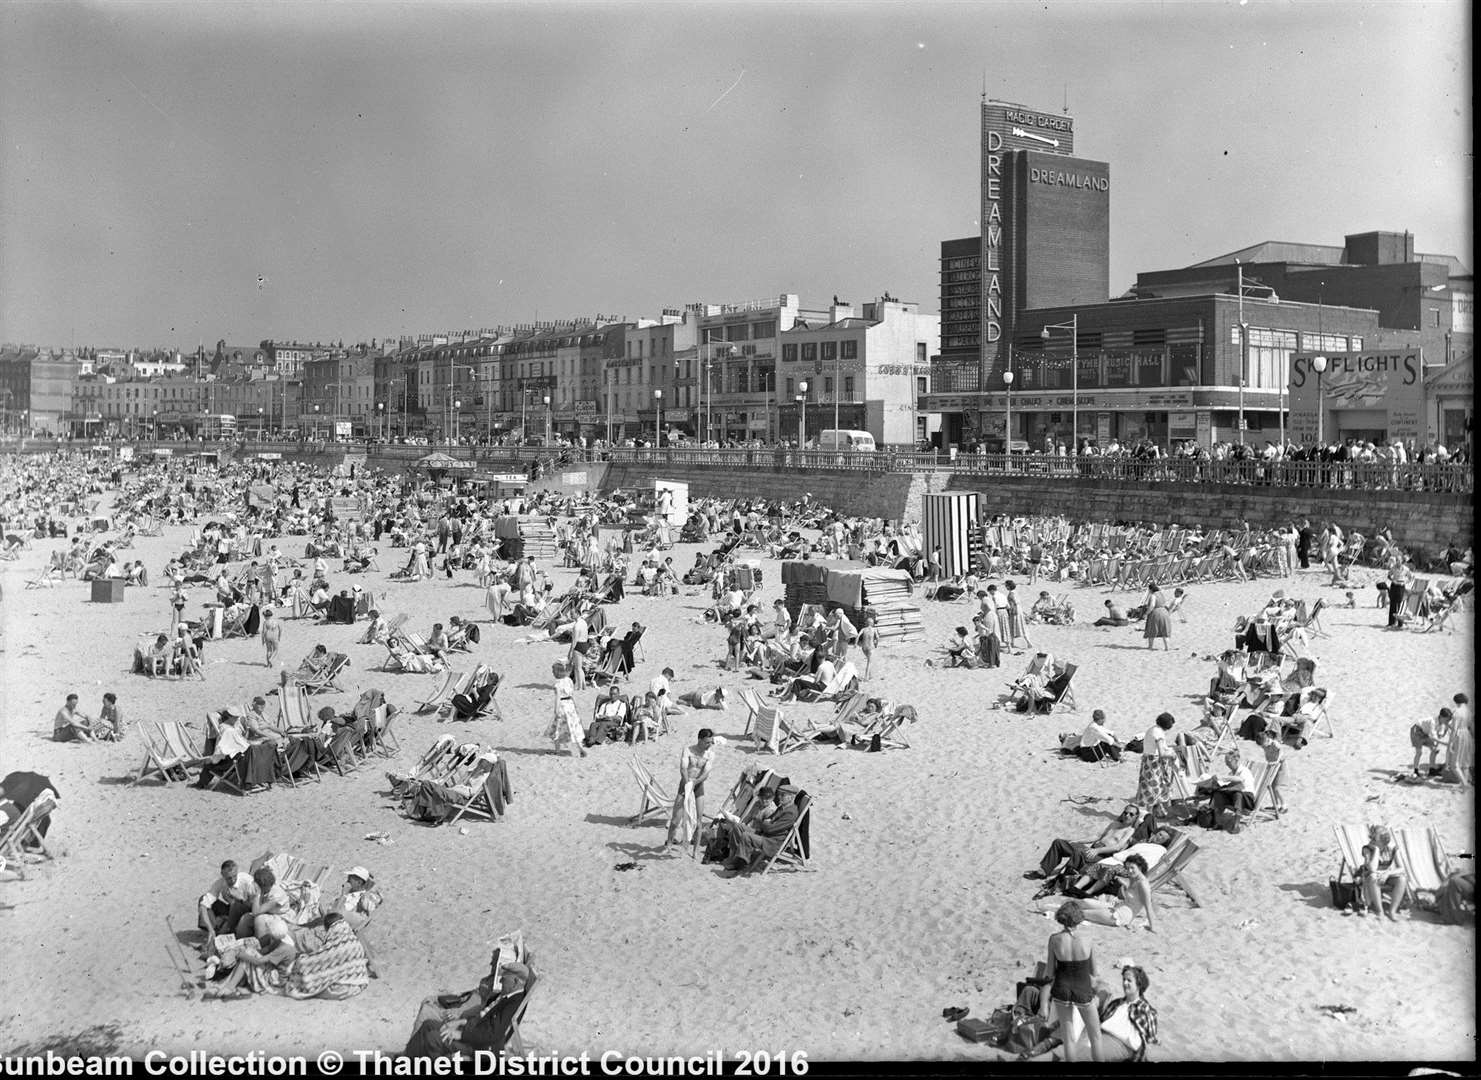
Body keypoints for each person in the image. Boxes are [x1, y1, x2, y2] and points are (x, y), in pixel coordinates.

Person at [1038, 901, 1102, 1063]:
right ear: (1078, 919)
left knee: (1068, 1036)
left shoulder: (1054, 939)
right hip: (1082, 990)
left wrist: (1044, 1003)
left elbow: (1049, 972)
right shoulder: (1088, 939)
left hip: (1061, 989)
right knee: (1095, 1036)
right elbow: (1095, 972)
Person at [717, 785, 801, 874]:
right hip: (765, 834)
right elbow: (767, 824)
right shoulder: (782, 807)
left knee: (746, 836)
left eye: (783, 795)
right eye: (779, 794)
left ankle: (740, 864)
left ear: (791, 797)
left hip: (771, 841)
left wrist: (766, 823)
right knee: (737, 826)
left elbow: (769, 829)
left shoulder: (790, 813)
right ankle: (734, 855)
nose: (779, 797)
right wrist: (767, 823)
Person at [662, 728, 717, 854]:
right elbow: (683, 768)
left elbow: (705, 774)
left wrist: (694, 783)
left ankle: (695, 850)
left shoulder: (710, 755)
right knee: (676, 819)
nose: (709, 745)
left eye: (711, 742)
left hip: (698, 786)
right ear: (700, 740)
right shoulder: (688, 750)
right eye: (707, 742)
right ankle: (669, 844)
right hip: (685, 784)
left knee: (698, 820)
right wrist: (688, 783)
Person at [197, 859, 257, 941]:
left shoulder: (247, 881)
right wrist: (210, 929)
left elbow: (255, 906)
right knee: (203, 899)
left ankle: (227, 930)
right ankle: (215, 931)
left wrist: (239, 899)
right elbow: (203, 906)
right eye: (229, 878)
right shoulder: (220, 883)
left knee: (236, 905)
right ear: (222, 875)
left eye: (234, 876)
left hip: (246, 911)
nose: (232, 880)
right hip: (231, 911)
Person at [1133, 713, 1179, 818]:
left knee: (1150, 788)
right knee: (1154, 788)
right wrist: (1172, 755)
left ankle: (1157, 810)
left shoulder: (1152, 729)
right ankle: (1151, 815)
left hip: (1147, 761)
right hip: (1153, 764)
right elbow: (1162, 753)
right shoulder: (1159, 734)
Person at [1358, 825, 1408, 921]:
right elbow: (1372, 868)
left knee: (1402, 879)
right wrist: (1376, 850)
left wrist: (1388, 874)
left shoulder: (1392, 848)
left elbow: (1402, 868)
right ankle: (1380, 911)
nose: (1371, 841)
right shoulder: (1368, 849)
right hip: (1370, 878)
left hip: (1385, 876)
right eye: (1374, 837)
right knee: (1373, 876)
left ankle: (1392, 911)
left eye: (1375, 839)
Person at [544, 661, 586, 757]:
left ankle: (557, 750)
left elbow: (558, 697)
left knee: (557, 727)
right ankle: (580, 747)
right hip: (570, 704)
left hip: (563, 705)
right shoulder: (569, 680)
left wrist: (556, 710)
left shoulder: (557, 684)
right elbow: (572, 694)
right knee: (573, 726)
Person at [1141, 585, 1172, 650]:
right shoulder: (1161, 594)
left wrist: (1146, 613)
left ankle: (1150, 646)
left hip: (1156, 613)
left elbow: (1152, 605)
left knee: (1152, 630)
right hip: (1164, 612)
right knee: (1164, 631)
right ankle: (1167, 647)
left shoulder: (1153, 595)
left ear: (1151, 589)